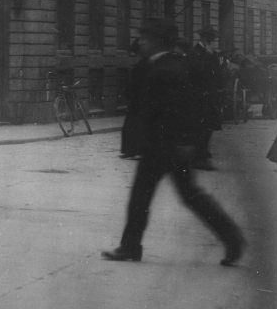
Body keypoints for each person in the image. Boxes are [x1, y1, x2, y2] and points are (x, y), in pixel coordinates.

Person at [102, 20, 245, 266]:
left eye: (144, 38)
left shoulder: (166, 69)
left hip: (167, 146)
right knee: (180, 196)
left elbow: (185, 108)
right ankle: (232, 239)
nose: (141, 42)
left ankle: (131, 247)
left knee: (155, 196)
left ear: (156, 41)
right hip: (164, 145)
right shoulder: (166, 64)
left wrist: (186, 141)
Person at [187, 25, 224, 169]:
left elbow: (218, 73)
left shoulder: (212, 53)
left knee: (209, 126)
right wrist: (209, 56)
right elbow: (196, 72)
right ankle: (199, 158)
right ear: (204, 39)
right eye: (211, 39)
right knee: (201, 127)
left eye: (213, 39)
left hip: (210, 95)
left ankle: (202, 153)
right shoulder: (194, 53)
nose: (213, 42)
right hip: (198, 96)